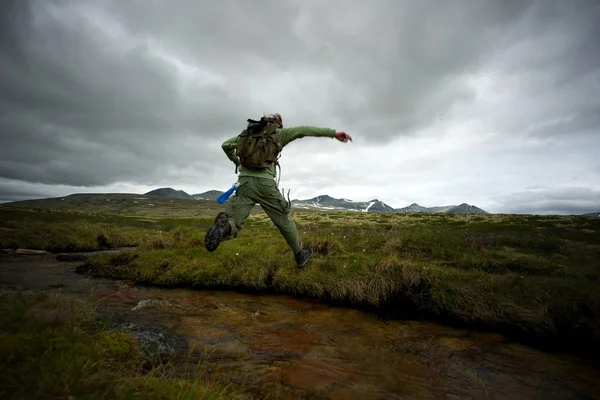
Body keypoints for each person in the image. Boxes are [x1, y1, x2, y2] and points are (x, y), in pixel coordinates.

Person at [204, 113, 353, 267]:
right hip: (266, 185)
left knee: (235, 220)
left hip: (244, 184)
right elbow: (304, 130)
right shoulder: (279, 134)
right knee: (284, 220)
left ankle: (222, 230)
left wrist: (237, 162)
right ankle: (300, 255)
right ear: (278, 125)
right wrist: (333, 134)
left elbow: (225, 145)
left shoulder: (248, 134)